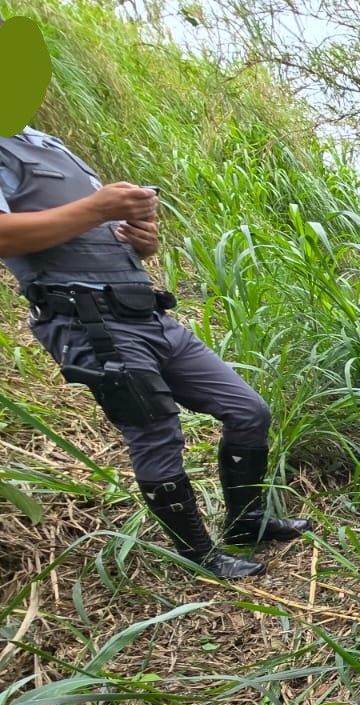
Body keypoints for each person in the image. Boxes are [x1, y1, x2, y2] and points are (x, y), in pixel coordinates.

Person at [0, 49, 308, 578]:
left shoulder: (41, 141)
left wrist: (138, 241)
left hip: (145, 313)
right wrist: (98, 207)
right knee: (156, 433)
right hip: (88, 322)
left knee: (248, 409)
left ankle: (248, 521)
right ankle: (199, 554)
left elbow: (89, 233)